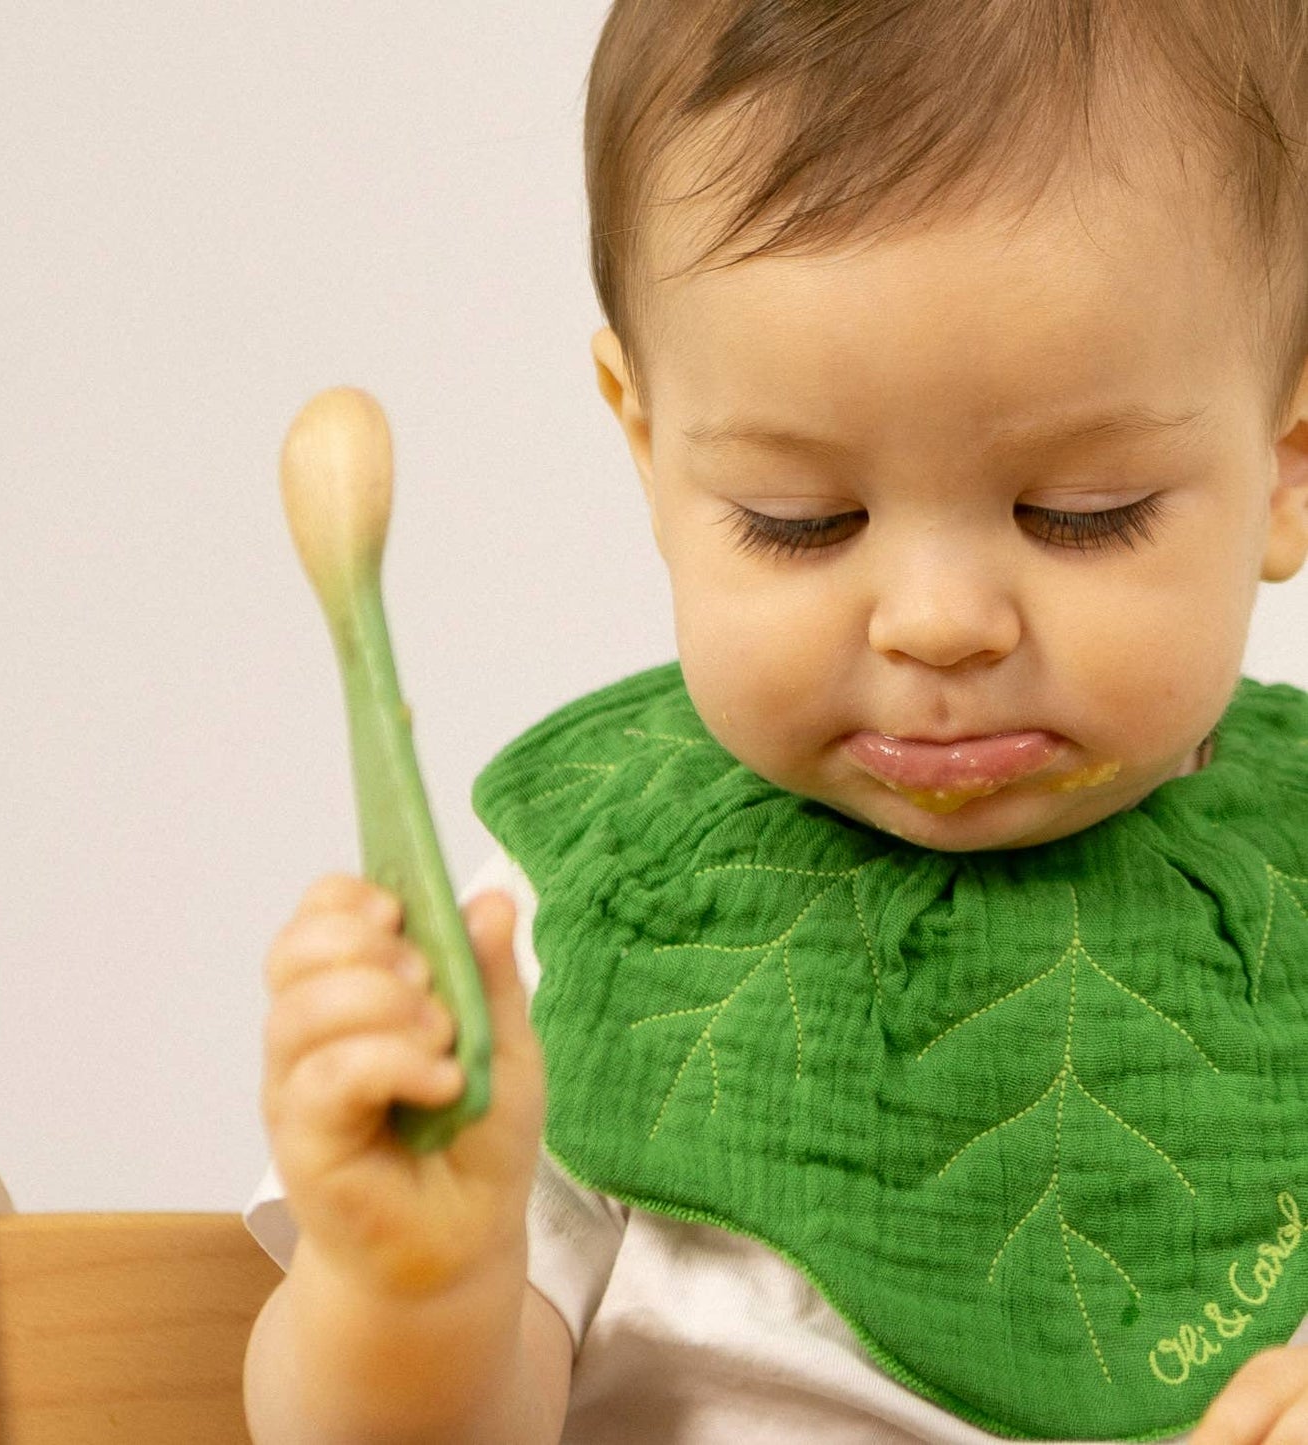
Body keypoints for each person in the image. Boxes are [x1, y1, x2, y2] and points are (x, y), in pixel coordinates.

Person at [240, 1, 1308, 1440]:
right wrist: (414, 1286)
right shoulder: (589, 927)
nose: (934, 620)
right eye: (800, 522)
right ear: (648, 444)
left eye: (1078, 514)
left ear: (1285, 465)